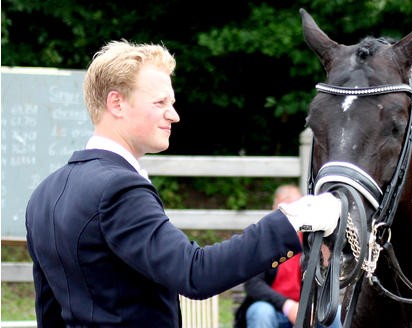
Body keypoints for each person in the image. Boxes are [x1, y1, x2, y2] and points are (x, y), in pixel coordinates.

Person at [25, 40, 342, 328]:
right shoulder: (118, 189)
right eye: (160, 102)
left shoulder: (44, 194)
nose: (173, 115)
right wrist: (292, 220)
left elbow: (49, 315)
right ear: (116, 103)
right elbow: (196, 273)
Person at [235, 185, 342, 328]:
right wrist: (287, 305)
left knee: (335, 313)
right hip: (273, 310)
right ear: (274, 209)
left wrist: (327, 260)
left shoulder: (314, 241)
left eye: (296, 206)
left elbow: (327, 283)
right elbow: (253, 285)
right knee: (261, 312)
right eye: (286, 207)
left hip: (308, 311)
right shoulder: (261, 241)